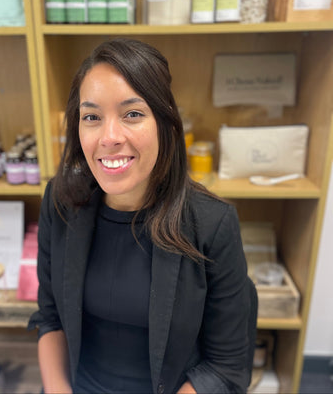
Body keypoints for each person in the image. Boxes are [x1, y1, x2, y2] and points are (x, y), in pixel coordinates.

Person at [28, 37, 256, 394]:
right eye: (92, 117)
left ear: (166, 122)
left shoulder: (212, 224)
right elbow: (51, 317)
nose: (109, 137)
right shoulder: (61, 202)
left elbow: (225, 367)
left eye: (132, 114)